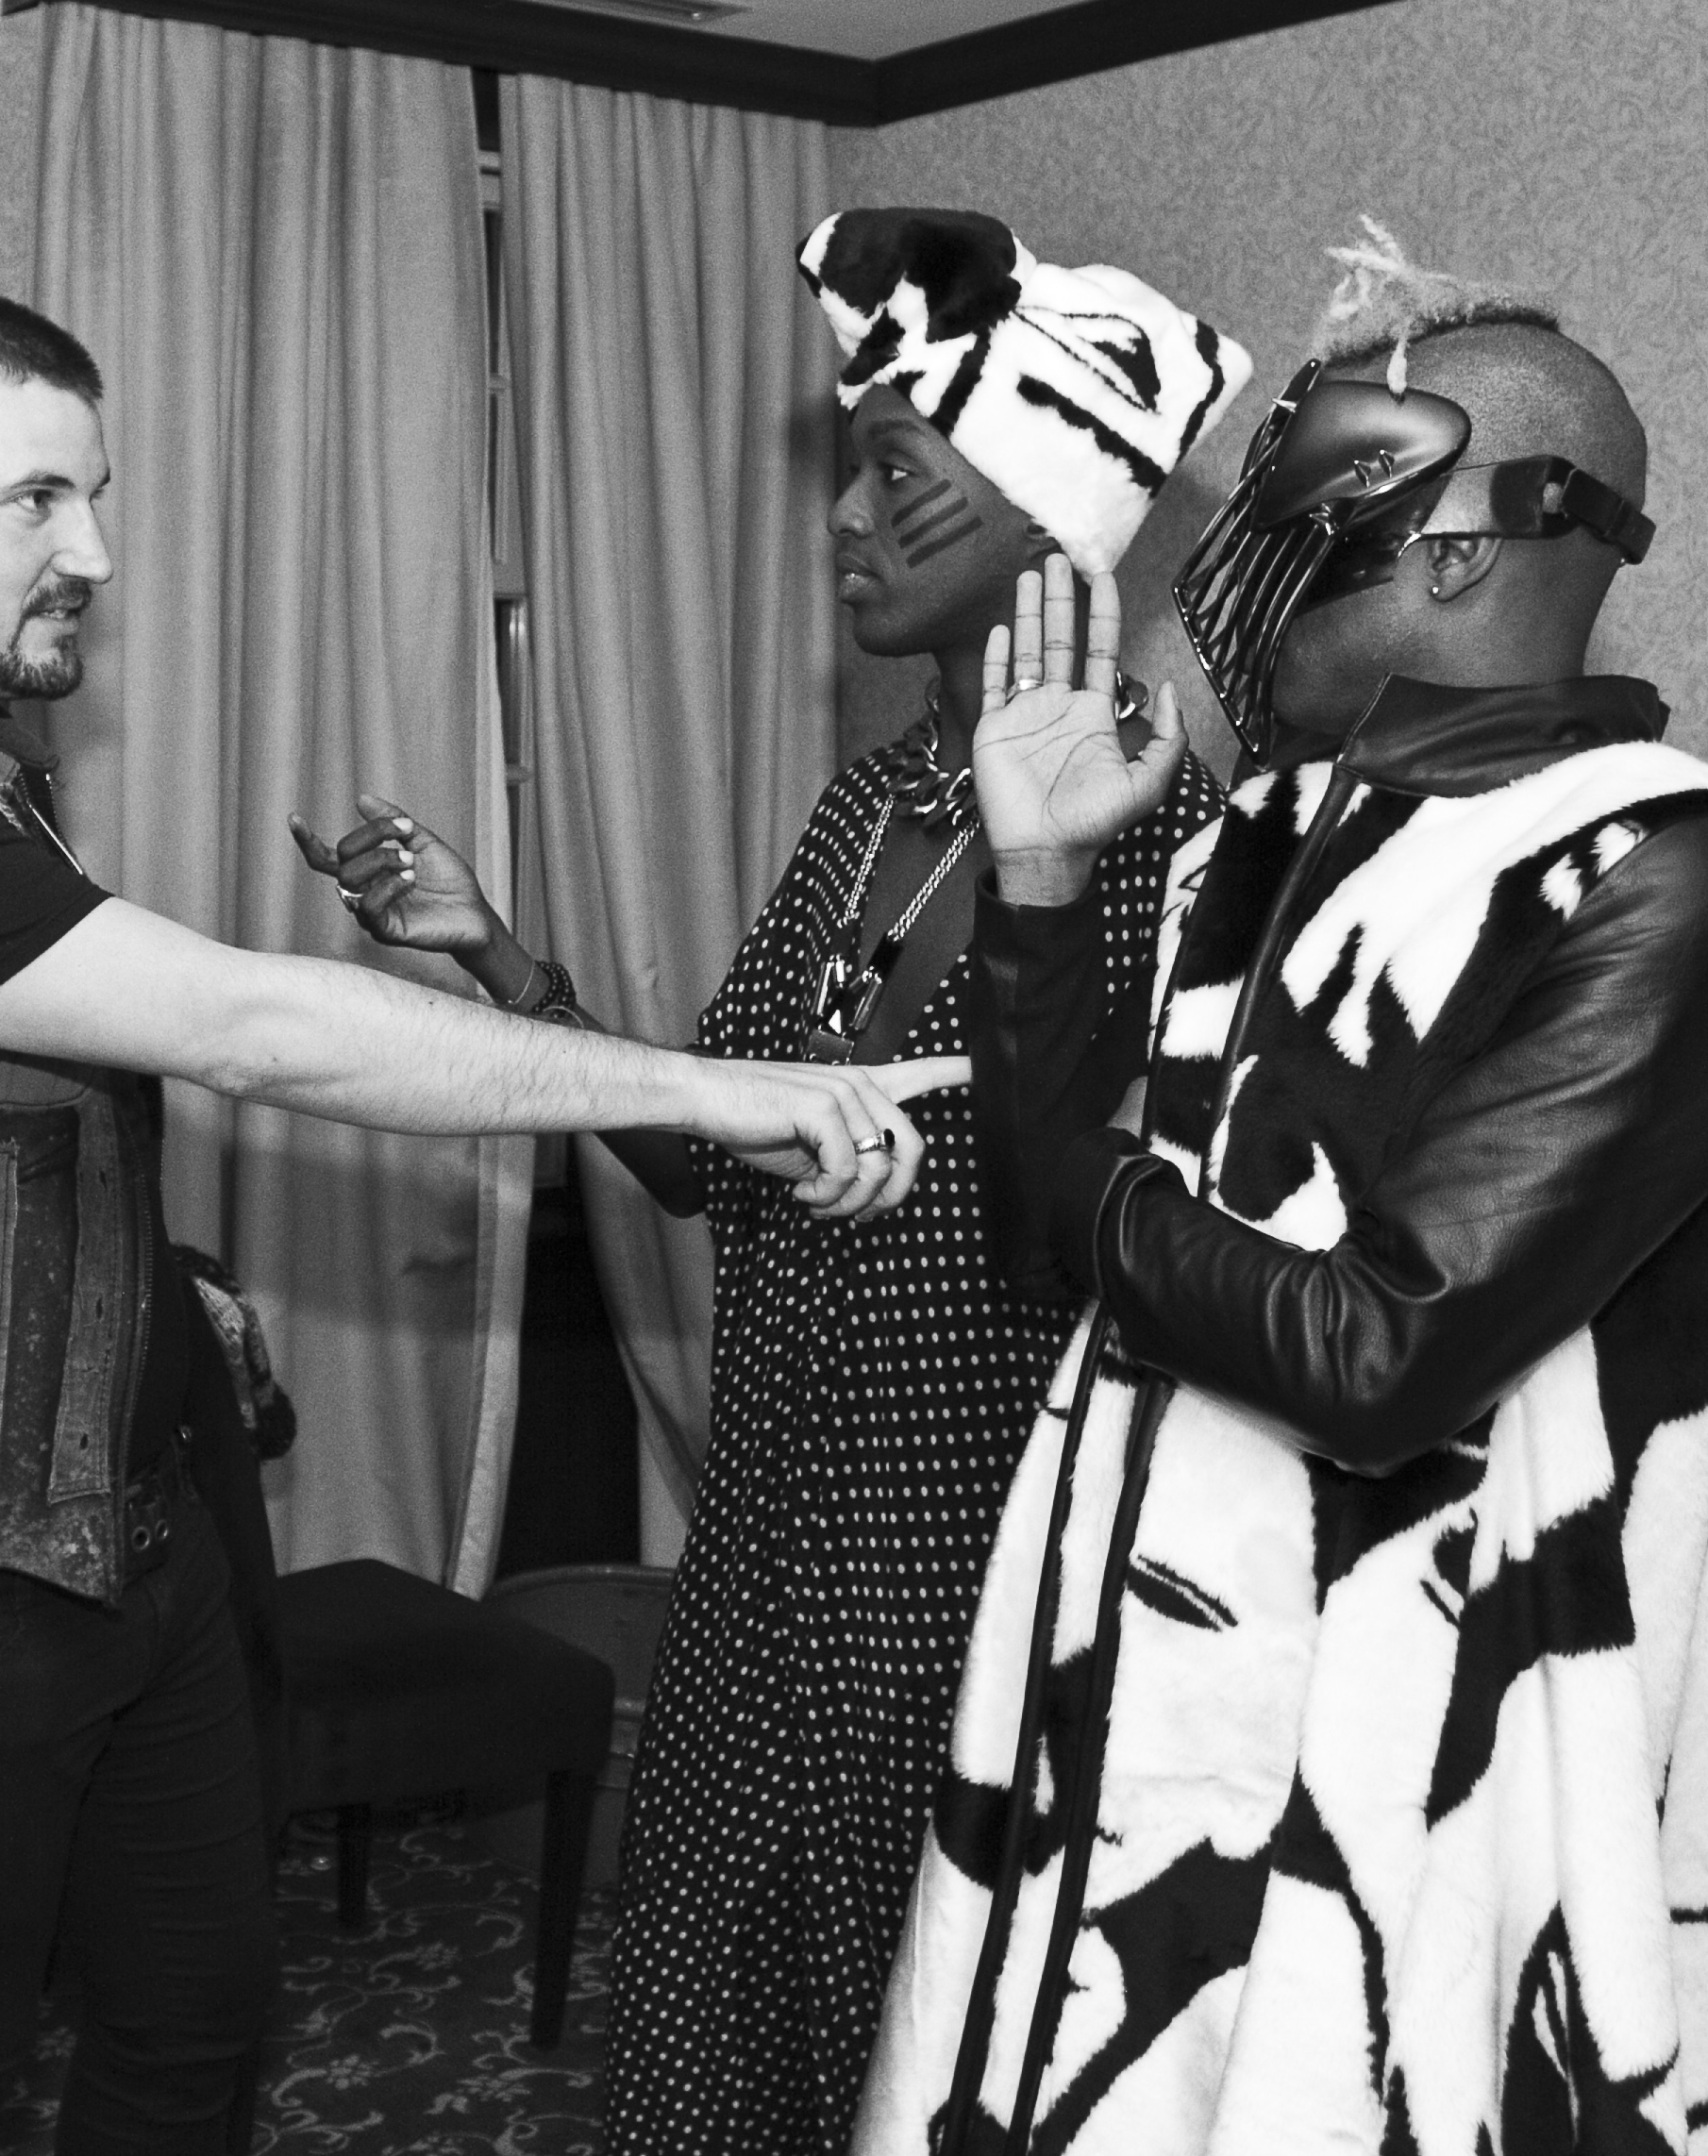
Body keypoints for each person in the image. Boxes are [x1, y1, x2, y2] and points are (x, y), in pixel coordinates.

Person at [0, 282, 966, 2156]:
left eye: (96, 496)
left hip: (129, 1545)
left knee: (195, 2019)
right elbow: (247, 1028)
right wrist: (714, 1087)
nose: (94, 553)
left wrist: (156, 1297)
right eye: (35, 501)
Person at [298, 209, 1247, 2156]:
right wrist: (492, 953)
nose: (843, 517)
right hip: (757, 1556)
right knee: (701, 2015)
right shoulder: (867, 807)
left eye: (895, 473)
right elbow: (692, 1150)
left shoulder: (1153, 847)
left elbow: (1120, 1241)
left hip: (965, 1576)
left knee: (918, 2037)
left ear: (1048, 522)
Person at [854, 247, 1708, 2154]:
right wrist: (1036, 884)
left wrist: (1086, 1187)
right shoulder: (1261, 833)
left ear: (1446, 543)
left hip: (1418, 1732)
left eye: (1299, 522)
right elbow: (1053, 1220)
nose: (1243, 575)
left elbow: (1377, 1356)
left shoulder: (1669, 872)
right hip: (1128, 1669)